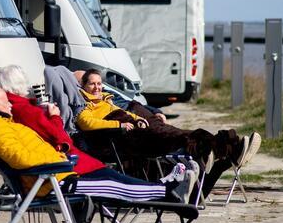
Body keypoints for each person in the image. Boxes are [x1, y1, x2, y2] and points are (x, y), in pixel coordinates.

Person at [0, 84, 195, 203]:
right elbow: (20, 158)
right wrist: (58, 162)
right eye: (6, 102)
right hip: (55, 182)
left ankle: (165, 187)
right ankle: (168, 191)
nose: (10, 106)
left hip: (58, 175)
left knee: (114, 180)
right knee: (116, 187)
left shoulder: (5, 124)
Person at [76, 68, 262, 198]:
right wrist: (119, 124)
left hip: (136, 123)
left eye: (99, 83)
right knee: (174, 137)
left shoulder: (107, 98)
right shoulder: (85, 104)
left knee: (175, 133)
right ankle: (228, 148)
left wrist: (141, 117)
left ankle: (227, 150)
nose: (97, 87)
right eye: (92, 84)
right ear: (82, 86)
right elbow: (86, 122)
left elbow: (128, 107)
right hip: (124, 133)